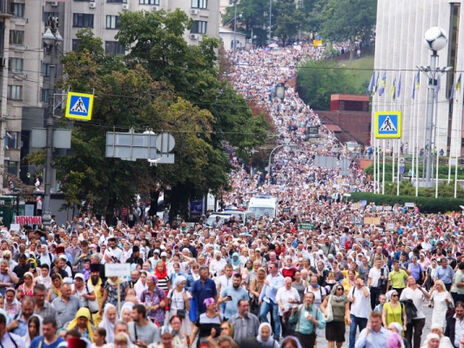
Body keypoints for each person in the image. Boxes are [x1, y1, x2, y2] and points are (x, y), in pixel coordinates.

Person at [400, 276, 430, 348]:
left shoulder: (420, 289)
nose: (412, 279)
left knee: (417, 335)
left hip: (419, 316)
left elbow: (429, 297)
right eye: (410, 279)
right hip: (409, 316)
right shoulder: (406, 290)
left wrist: (421, 289)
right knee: (408, 335)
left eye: (413, 278)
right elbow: (401, 302)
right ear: (408, 282)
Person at [259, 261, 284, 341]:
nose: (269, 269)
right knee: (262, 314)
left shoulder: (281, 278)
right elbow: (264, 288)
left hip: (276, 301)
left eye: (271, 267)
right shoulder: (268, 276)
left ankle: (276, 336)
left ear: (276, 268)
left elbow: (279, 289)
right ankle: (269, 329)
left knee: (275, 318)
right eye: (269, 267)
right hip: (267, 299)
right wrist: (260, 297)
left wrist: (270, 284)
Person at [349, 276, 371, 348]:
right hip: (353, 314)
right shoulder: (353, 288)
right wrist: (351, 299)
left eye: (359, 281)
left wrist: (362, 285)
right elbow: (348, 298)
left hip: (363, 315)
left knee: (363, 334)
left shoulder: (366, 288)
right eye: (357, 281)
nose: (357, 283)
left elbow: (366, 294)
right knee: (352, 332)